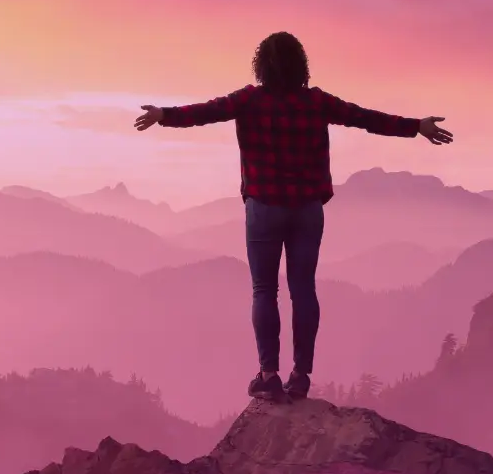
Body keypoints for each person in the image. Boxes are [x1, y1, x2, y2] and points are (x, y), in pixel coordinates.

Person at [133, 31, 453, 401]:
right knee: (303, 289)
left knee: (264, 290)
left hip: (264, 208)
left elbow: (205, 112)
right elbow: (366, 118)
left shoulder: (248, 100)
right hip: (306, 209)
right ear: (301, 65)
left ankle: (269, 374)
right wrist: (416, 126)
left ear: (261, 66)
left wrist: (163, 116)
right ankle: (300, 375)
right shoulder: (316, 103)